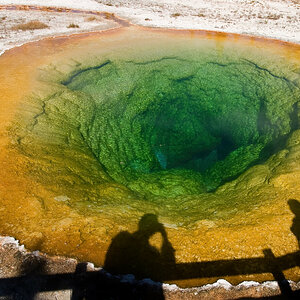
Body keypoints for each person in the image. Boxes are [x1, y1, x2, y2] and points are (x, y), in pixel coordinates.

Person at [104, 214, 175, 282]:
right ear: (155, 229)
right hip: (129, 281)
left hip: (115, 279)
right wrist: (164, 236)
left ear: (140, 225)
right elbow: (169, 268)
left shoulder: (123, 238)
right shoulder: (150, 253)